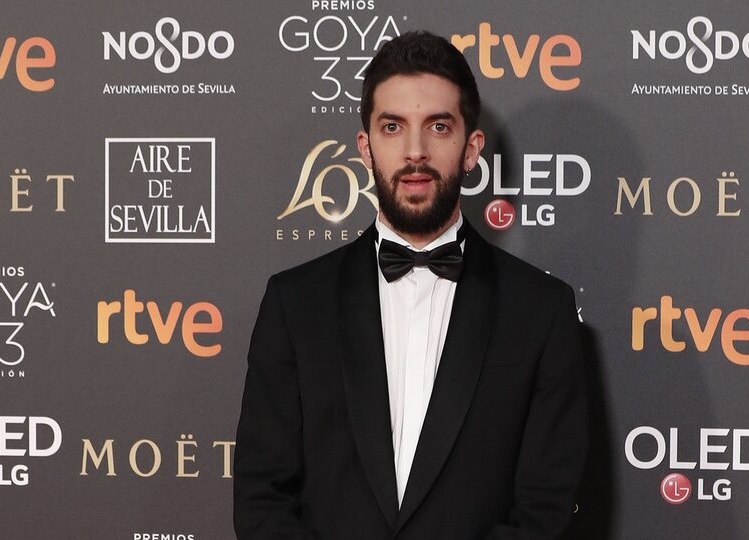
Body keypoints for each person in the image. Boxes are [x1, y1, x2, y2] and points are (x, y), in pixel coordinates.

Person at [234, 30, 587, 540]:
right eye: (393, 126)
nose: (415, 151)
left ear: (471, 149)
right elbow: (262, 497)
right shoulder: (294, 304)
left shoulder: (543, 310)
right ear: (366, 146)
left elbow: (546, 510)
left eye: (438, 127)